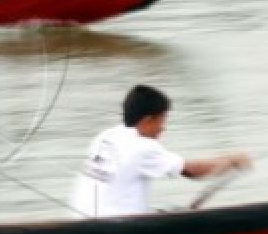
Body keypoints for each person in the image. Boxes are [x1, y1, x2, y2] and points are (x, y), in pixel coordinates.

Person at [70, 85, 251, 217]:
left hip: (79, 222)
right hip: (113, 232)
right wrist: (231, 160)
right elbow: (191, 171)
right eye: (162, 120)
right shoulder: (143, 146)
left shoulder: (105, 136)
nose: (163, 128)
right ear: (148, 121)